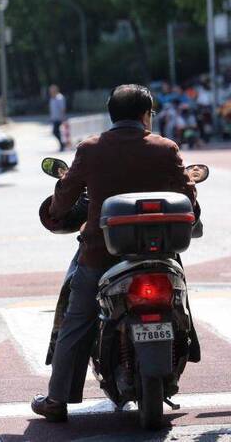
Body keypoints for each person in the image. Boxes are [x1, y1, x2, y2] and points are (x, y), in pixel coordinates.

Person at [32, 84, 197, 422]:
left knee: (77, 319)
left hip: (100, 253)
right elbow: (188, 193)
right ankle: (187, 346)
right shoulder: (166, 148)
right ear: (146, 114)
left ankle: (57, 399)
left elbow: (66, 195)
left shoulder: (91, 149)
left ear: (112, 113)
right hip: (160, 252)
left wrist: (56, 209)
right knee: (179, 301)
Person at [49, 85, 67, 151]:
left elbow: (63, 108)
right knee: (56, 132)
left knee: (56, 132)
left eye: (52, 90)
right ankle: (62, 144)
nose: (51, 92)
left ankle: (63, 145)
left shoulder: (60, 98)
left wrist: (63, 118)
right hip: (54, 118)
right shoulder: (52, 98)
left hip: (59, 118)